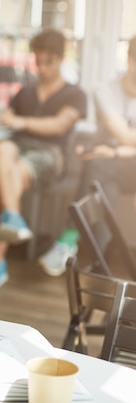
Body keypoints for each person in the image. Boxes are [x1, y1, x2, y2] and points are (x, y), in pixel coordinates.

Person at [0, 28, 87, 292]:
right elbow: (5, 116)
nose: (42, 68)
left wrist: (20, 120)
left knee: (13, 171)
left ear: (61, 59)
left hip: (50, 155)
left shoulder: (75, 94)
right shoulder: (26, 91)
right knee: (1, 148)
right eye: (39, 61)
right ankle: (12, 217)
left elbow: (59, 125)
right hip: (16, 149)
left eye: (49, 62)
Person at [39, 35, 136, 276]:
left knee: (100, 167)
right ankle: (98, 267)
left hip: (121, 163)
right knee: (102, 187)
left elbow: (123, 141)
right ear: (131, 59)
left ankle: (70, 239)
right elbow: (121, 132)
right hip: (108, 170)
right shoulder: (105, 90)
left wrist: (114, 152)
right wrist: (114, 152)